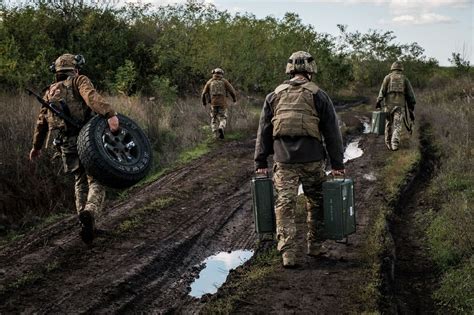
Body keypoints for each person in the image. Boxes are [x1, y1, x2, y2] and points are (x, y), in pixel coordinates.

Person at [254, 51, 345, 268]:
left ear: (290, 70)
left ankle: (288, 255)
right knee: (317, 203)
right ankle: (315, 246)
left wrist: (260, 162)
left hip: (284, 161)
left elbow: (264, 131)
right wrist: (337, 165)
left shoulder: (273, 96)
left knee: (285, 206)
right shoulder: (319, 95)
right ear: (310, 70)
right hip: (312, 160)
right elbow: (332, 132)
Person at [29, 53, 119, 245]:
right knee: (96, 179)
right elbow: (91, 97)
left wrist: (36, 147)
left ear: (57, 72)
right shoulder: (79, 81)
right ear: (75, 69)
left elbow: (41, 123)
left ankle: (85, 224)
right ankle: (90, 212)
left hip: (65, 144)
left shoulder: (49, 92)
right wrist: (110, 113)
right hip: (87, 139)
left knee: (79, 180)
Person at [376, 61, 416, 151]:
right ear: (401, 69)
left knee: (388, 124)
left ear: (392, 68)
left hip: (388, 106)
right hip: (400, 106)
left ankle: (388, 143)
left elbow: (382, 91)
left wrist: (378, 101)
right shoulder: (405, 79)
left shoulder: (387, 77)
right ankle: (395, 144)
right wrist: (412, 105)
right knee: (397, 125)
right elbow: (410, 94)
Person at [201, 68, 237, 139]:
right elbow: (232, 91)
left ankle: (214, 134)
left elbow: (203, 94)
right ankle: (221, 127)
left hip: (213, 104)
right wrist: (234, 100)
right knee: (223, 117)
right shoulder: (224, 81)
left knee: (213, 119)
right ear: (221, 74)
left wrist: (204, 103)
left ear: (213, 74)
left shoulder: (210, 82)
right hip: (223, 104)